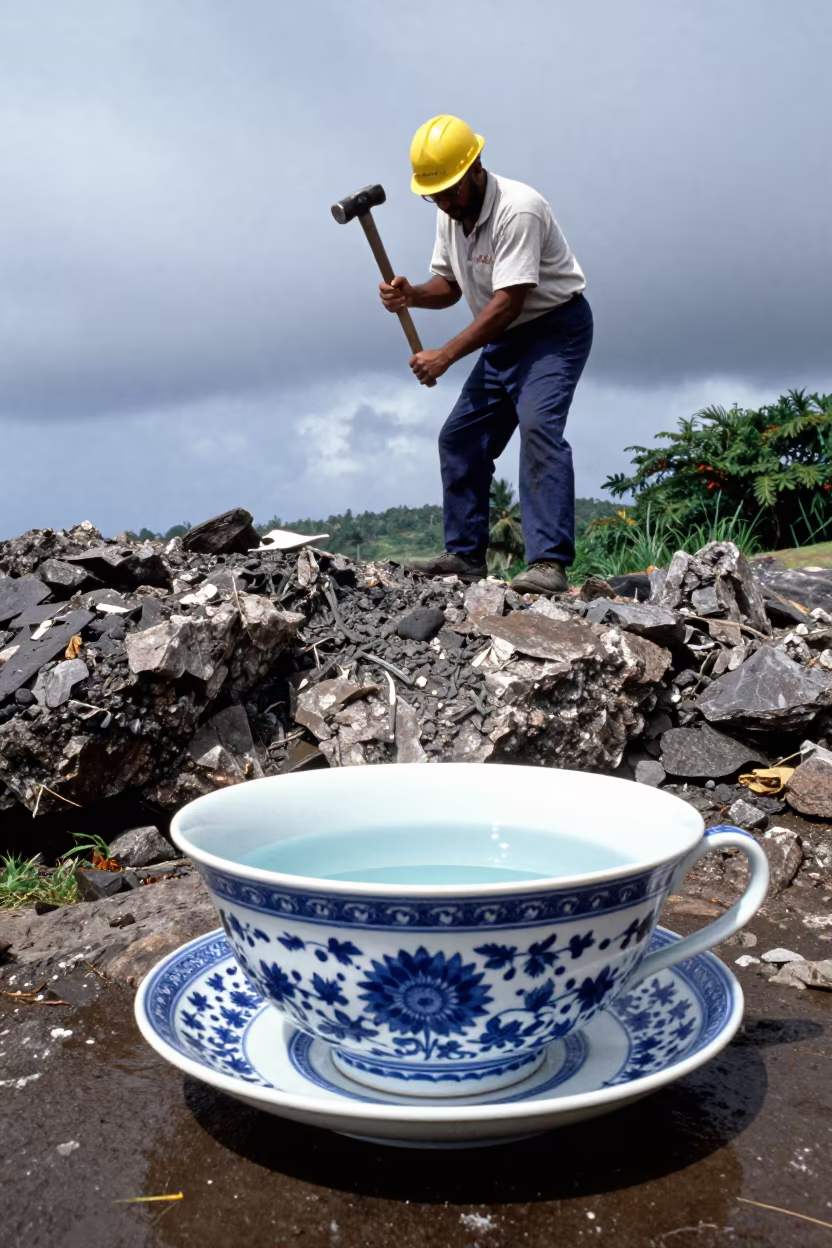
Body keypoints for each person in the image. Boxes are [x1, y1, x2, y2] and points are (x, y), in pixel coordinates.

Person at [379, 114, 593, 596]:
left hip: (551, 330)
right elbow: (451, 286)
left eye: (451, 191)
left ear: (475, 167)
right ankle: (464, 556)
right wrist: (411, 293)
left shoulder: (520, 209)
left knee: (540, 429)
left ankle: (548, 564)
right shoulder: (449, 212)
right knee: (460, 439)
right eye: (435, 195)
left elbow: (507, 303)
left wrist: (445, 356)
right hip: (502, 337)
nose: (445, 202)